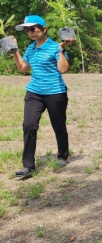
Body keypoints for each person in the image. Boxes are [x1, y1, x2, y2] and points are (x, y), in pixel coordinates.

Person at [10, 15, 75, 178]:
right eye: (27, 30)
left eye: (33, 28)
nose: (30, 32)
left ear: (43, 29)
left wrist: (61, 49)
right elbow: (23, 68)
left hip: (55, 92)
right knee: (29, 125)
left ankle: (62, 156)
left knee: (58, 125)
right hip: (34, 92)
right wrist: (14, 50)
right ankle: (28, 166)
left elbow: (63, 69)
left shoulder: (55, 46)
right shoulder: (30, 49)